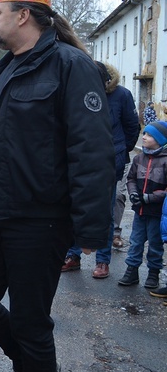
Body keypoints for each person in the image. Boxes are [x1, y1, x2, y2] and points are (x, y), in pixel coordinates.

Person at [0, 0, 114, 372]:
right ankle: (28, 364)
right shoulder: (5, 69)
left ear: (24, 15)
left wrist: (91, 231)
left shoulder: (72, 66)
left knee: (31, 323)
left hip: (40, 221)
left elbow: (93, 152)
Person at [61, 62, 140, 278]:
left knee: (105, 211)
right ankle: (73, 255)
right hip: (79, 160)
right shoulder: (79, 91)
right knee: (75, 208)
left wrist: (120, 150)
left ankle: (103, 261)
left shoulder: (121, 95)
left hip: (109, 162)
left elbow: (133, 127)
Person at [119, 121, 167, 289]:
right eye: (144, 133)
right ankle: (132, 271)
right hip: (139, 210)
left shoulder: (165, 160)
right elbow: (131, 178)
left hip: (157, 211)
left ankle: (153, 273)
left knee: (155, 243)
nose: (144, 137)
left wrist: (150, 197)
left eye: (148, 135)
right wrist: (133, 192)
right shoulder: (139, 158)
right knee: (135, 241)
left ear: (160, 139)